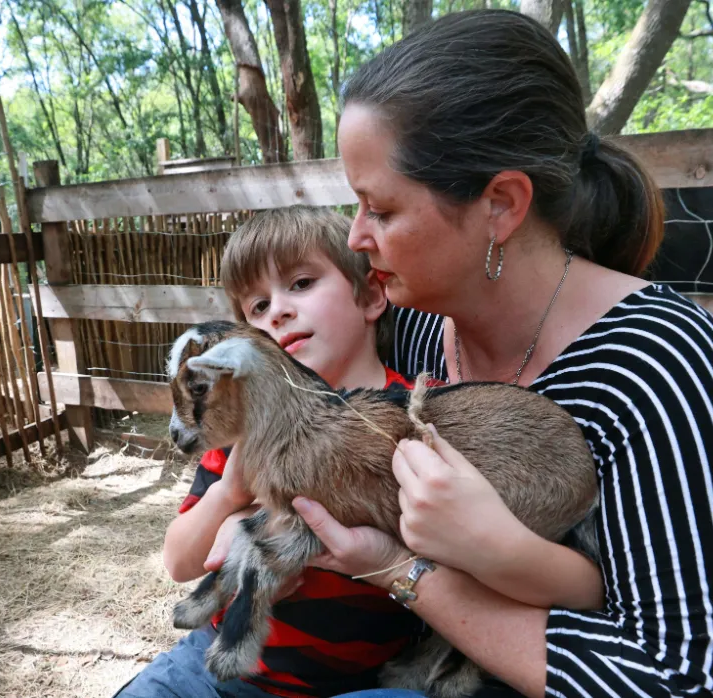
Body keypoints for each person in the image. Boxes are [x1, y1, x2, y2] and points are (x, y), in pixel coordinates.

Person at [284, 9, 713, 698]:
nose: (356, 236)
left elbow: (696, 680)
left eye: (382, 209)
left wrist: (405, 572)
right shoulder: (416, 328)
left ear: (502, 205)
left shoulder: (657, 360)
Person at [114, 206, 461, 698]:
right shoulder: (240, 434)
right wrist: (230, 494)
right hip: (212, 666)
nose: (276, 311)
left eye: (301, 283)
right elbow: (178, 563)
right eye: (256, 308)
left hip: (356, 680)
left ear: (370, 295)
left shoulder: (418, 417)